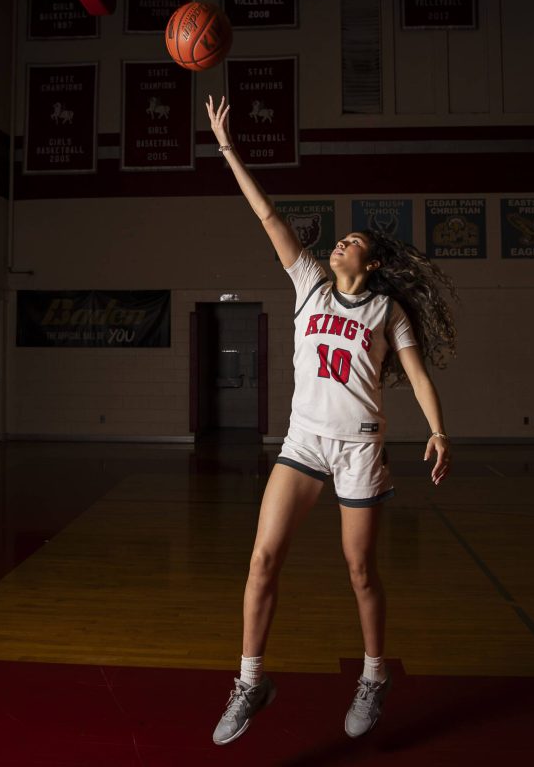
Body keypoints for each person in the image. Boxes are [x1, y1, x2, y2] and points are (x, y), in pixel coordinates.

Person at [206, 95, 455, 746]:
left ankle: (374, 675)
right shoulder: (310, 283)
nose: (340, 241)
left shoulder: (386, 312)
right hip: (304, 442)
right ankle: (250, 680)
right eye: (341, 239)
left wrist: (437, 430)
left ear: (369, 264)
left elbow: (418, 375)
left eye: (353, 242)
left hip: (359, 449)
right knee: (262, 559)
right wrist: (227, 147)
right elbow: (267, 215)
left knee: (360, 570)